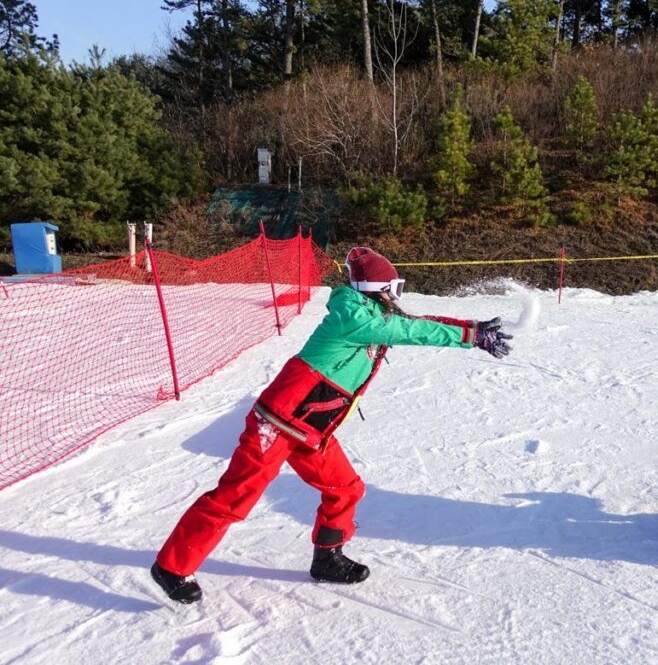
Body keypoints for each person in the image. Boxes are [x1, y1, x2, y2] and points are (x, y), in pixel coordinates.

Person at [150, 247, 513, 603]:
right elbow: (411, 330)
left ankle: (328, 559)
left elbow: (409, 324)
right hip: (278, 425)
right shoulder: (355, 318)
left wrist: (474, 329)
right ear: (376, 291)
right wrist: (470, 335)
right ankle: (172, 566)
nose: (396, 296)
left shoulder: (367, 312)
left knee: (346, 488)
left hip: (311, 429)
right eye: (393, 288)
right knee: (235, 498)